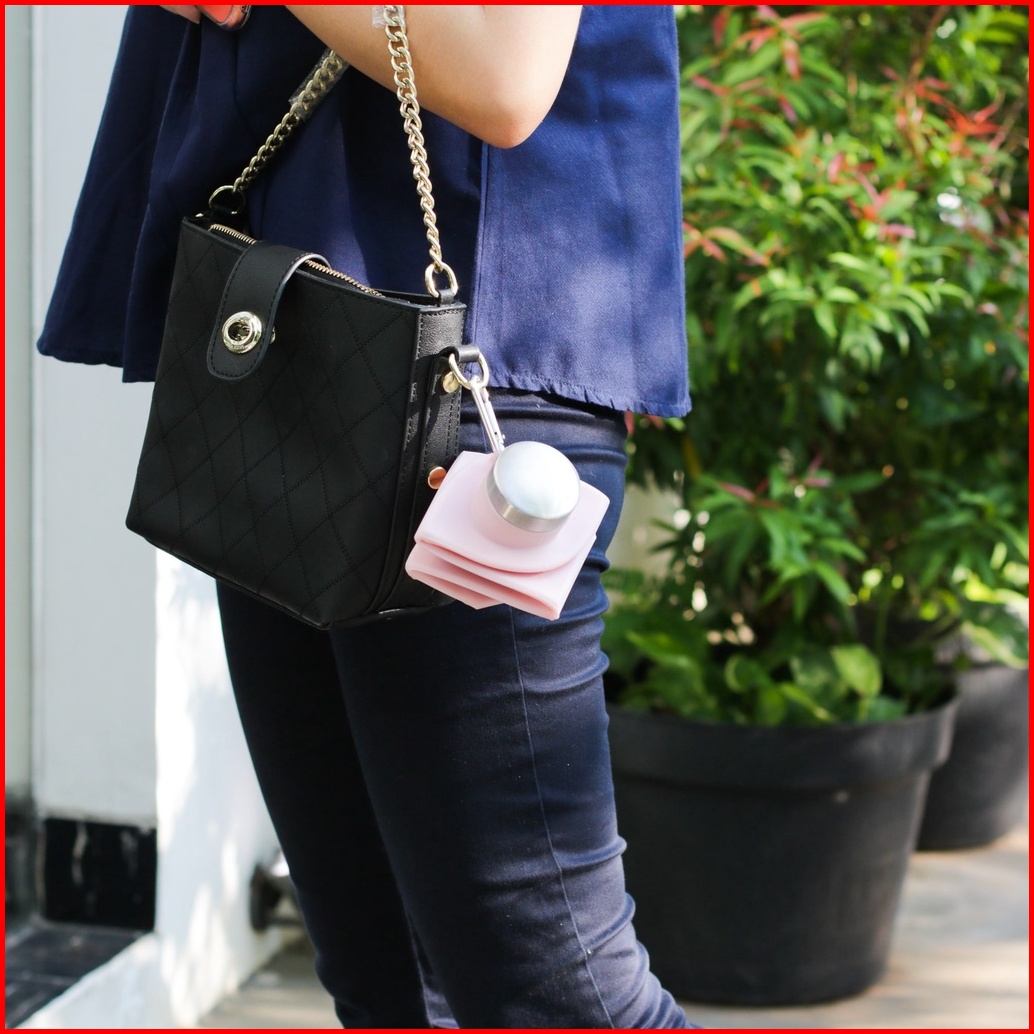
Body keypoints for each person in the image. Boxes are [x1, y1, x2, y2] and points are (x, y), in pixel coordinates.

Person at [38, 5, 694, 1028]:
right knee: (387, 985)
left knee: (556, 991)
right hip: (295, 337)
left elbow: (507, 73)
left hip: (468, 367)